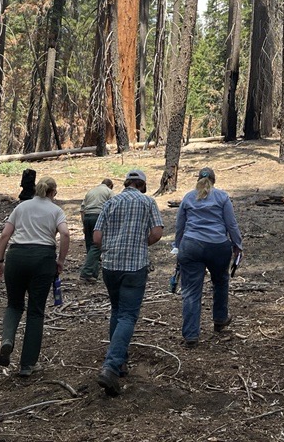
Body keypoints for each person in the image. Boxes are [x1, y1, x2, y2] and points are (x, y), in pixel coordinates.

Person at [94, 169, 163, 396]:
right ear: (142, 184)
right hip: (134, 266)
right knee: (127, 315)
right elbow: (157, 233)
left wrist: (111, 247)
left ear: (126, 183)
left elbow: (97, 237)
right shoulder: (147, 202)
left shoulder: (111, 203)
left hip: (110, 265)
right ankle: (111, 366)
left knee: (116, 311)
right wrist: (141, 243)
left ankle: (121, 361)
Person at [0, 176, 69, 377]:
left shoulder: (22, 207)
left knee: (14, 305)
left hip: (16, 256)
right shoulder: (56, 210)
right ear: (53, 192)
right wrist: (60, 260)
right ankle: (27, 365)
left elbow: (4, 235)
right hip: (42, 259)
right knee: (35, 311)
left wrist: (0, 261)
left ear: (37, 190)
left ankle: (7, 340)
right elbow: (66, 234)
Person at [173, 166, 243, 348]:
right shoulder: (222, 197)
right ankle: (220, 319)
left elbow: (180, 225)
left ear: (198, 180)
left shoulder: (188, 197)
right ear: (214, 180)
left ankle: (191, 335)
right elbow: (231, 224)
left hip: (191, 246)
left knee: (190, 291)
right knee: (220, 281)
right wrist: (237, 245)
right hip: (218, 246)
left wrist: (177, 246)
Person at [79, 177, 114, 282]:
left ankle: (93, 273)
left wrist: (84, 225)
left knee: (90, 245)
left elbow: (82, 209)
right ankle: (87, 272)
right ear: (110, 186)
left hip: (87, 217)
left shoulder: (91, 191)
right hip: (98, 217)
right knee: (97, 245)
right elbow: (113, 206)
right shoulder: (109, 191)